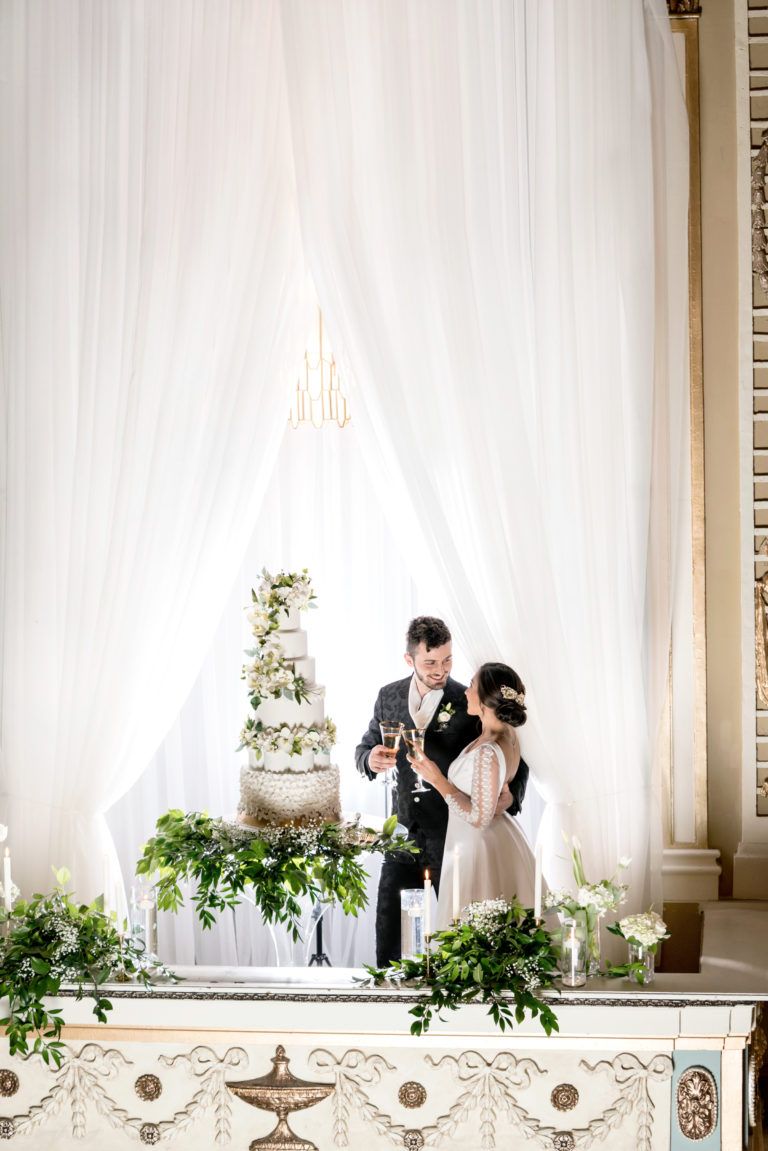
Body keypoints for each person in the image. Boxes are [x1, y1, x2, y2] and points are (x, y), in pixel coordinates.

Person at [355, 618, 528, 965]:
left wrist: (510, 796)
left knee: (460, 942)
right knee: (392, 940)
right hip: (401, 836)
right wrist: (369, 759)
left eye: (447, 660)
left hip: (452, 840)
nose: (441, 670)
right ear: (410, 661)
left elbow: (511, 756)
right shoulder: (387, 696)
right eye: (430, 663)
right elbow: (365, 746)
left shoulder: (470, 700)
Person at [408, 661, 536, 930]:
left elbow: (478, 818)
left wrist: (438, 780)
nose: (466, 691)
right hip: (487, 838)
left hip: (476, 846)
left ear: (487, 699)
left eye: (472, 685)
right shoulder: (506, 735)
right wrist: (506, 799)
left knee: (475, 932)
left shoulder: (489, 750)